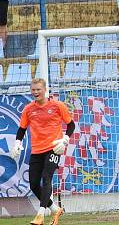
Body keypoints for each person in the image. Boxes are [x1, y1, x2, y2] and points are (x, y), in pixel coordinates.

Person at [10, 78, 75, 225]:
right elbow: (21, 129)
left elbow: (71, 125)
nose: (35, 92)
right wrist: (17, 143)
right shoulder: (28, 109)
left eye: (38, 89)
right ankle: (54, 209)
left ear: (45, 90)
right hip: (37, 150)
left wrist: (64, 140)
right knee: (33, 184)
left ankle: (40, 215)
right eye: (33, 90)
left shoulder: (58, 106)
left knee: (47, 178)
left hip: (54, 148)